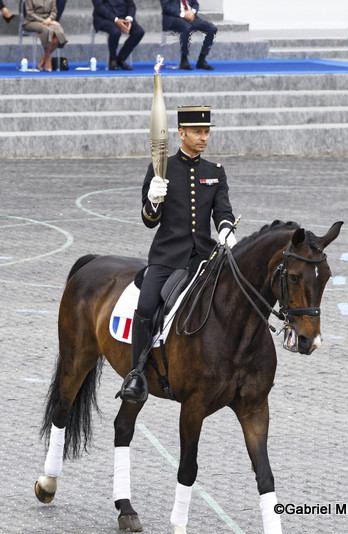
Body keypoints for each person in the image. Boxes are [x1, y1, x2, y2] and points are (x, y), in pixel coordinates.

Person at [119, 106, 237, 404]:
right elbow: (149, 220)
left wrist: (225, 231)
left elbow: (222, 211)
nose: (203, 137)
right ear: (181, 133)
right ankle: (136, 374)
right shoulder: (161, 169)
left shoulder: (215, 172)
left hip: (204, 258)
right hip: (167, 255)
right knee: (146, 305)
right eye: (197, 132)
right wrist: (153, 199)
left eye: (207, 132)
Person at [161, 0, 216, 70]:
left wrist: (192, 12)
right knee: (186, 27)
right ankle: (184, 60)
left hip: (191, 17)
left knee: (212, 28)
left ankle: (201, 60)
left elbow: (195, 4)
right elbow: (166, 7)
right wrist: (183, 14)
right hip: (173, 17)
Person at [91, 0, 143, 71]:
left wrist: (129, 19)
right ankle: (112, 59)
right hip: (105, 19)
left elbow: (131, 5)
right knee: (115, 32)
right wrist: (116, 20)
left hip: (123, 18)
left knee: (139, 32)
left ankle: (121, 59)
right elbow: (99, 7)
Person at [22, 0, 66, 72]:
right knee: (47, 30)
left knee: (59, 32)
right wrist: (44, 21)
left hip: (49, 20)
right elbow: (30, 13)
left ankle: (44, 57)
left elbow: (54, 11)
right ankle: (48, 58)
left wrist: (49, 19)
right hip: (32, 21)